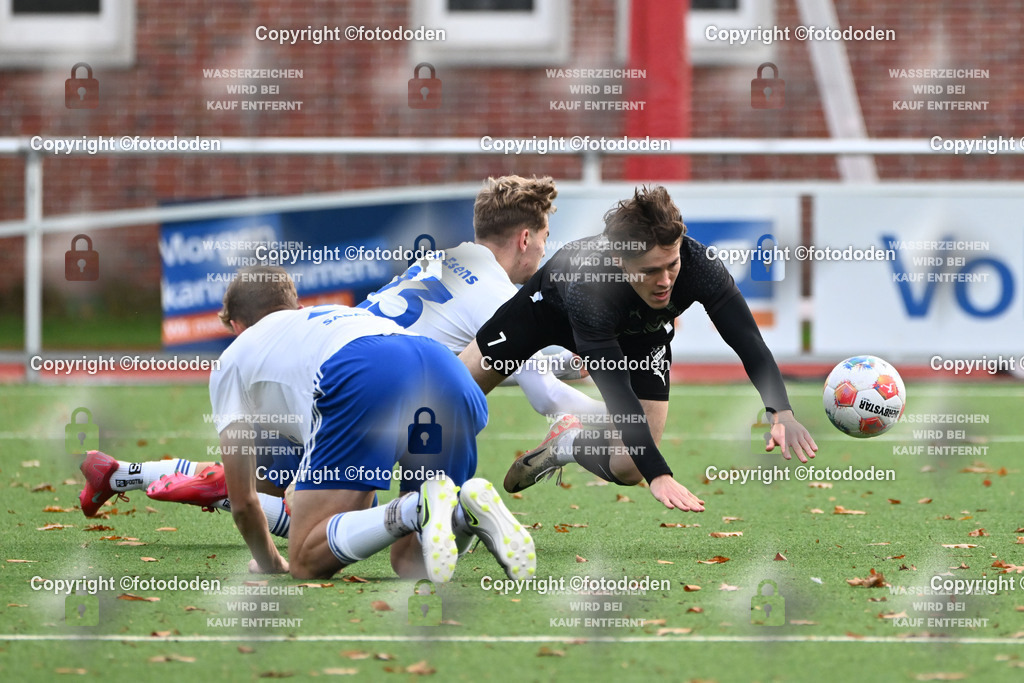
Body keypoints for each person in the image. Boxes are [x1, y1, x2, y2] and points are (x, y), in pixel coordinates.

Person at [458, 186, 818, 511]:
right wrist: (660, 474)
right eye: (649, 271)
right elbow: (616, 391)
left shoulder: (701, 267)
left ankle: (565, 444)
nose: (664, 282)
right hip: (545, 312)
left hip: (641, 335)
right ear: (619, 260)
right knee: (453, 396)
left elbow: (749, 342)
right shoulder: (590, 286)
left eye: (671, 265)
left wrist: (780, 411)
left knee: (629, 468)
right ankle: (438, 507)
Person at [199, 265, 533, 579]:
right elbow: (360, 503)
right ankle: (464, 510)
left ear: (237, 328)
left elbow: (243, 501)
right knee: (411, 564)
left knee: (305, 559)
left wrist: (272, 562)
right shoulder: (331, 315)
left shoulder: (234, 358)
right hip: (446, 369)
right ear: (296, 307)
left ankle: (416, 508)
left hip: (365, 370)